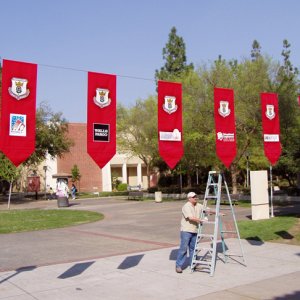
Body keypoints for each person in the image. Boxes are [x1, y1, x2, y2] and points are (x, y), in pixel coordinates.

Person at [175, 192, 204, 273]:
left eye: (196, 196)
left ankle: (194, 264)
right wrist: (201, 220)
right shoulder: (186, 206)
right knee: (183, 249)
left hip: (195, 230)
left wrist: (217, 212)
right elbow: (191, 218)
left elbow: (207, 209)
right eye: (194, 197)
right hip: (186, 231)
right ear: (189, 198)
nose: (195, 197)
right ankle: (178, 266)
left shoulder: (199, 205)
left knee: (194, 249)